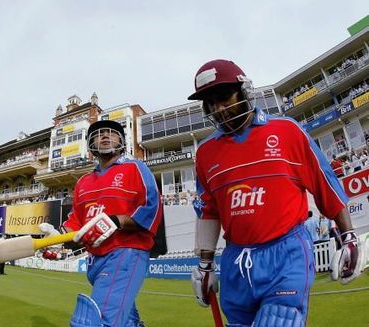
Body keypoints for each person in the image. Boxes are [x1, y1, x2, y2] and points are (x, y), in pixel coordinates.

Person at [187, 59, 360, 326]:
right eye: (210, 103)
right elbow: (209, 211)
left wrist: (348, 236)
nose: (219, 109)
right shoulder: (205, 153)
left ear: (244, 92)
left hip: (286, 254)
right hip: (237, 262)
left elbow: (326, 186)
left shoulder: (286, 131)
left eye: (224, 98)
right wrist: (205, 264)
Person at [40, 120, 162, 327]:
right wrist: (57, 238)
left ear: (121, 141)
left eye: (111, 133)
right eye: (99, 134)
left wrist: (117, 221)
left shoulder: (135, 168)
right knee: (126, 322)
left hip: (126, 253)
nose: (105, 136)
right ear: (90, 144)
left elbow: (152, 207)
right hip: (95, 259)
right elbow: (76, 223)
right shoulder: (83, 182)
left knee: (95, 322)